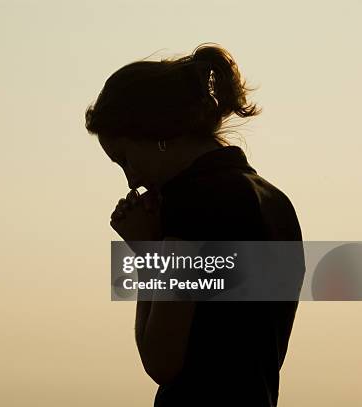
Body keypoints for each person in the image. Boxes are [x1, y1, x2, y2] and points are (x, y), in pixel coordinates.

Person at [84, 43, 304, 406]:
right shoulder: (277, 202)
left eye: (126, 159)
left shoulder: (193, 204)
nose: (130, 181)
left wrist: (147, 254)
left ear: (158, 136)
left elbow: (162, 361)